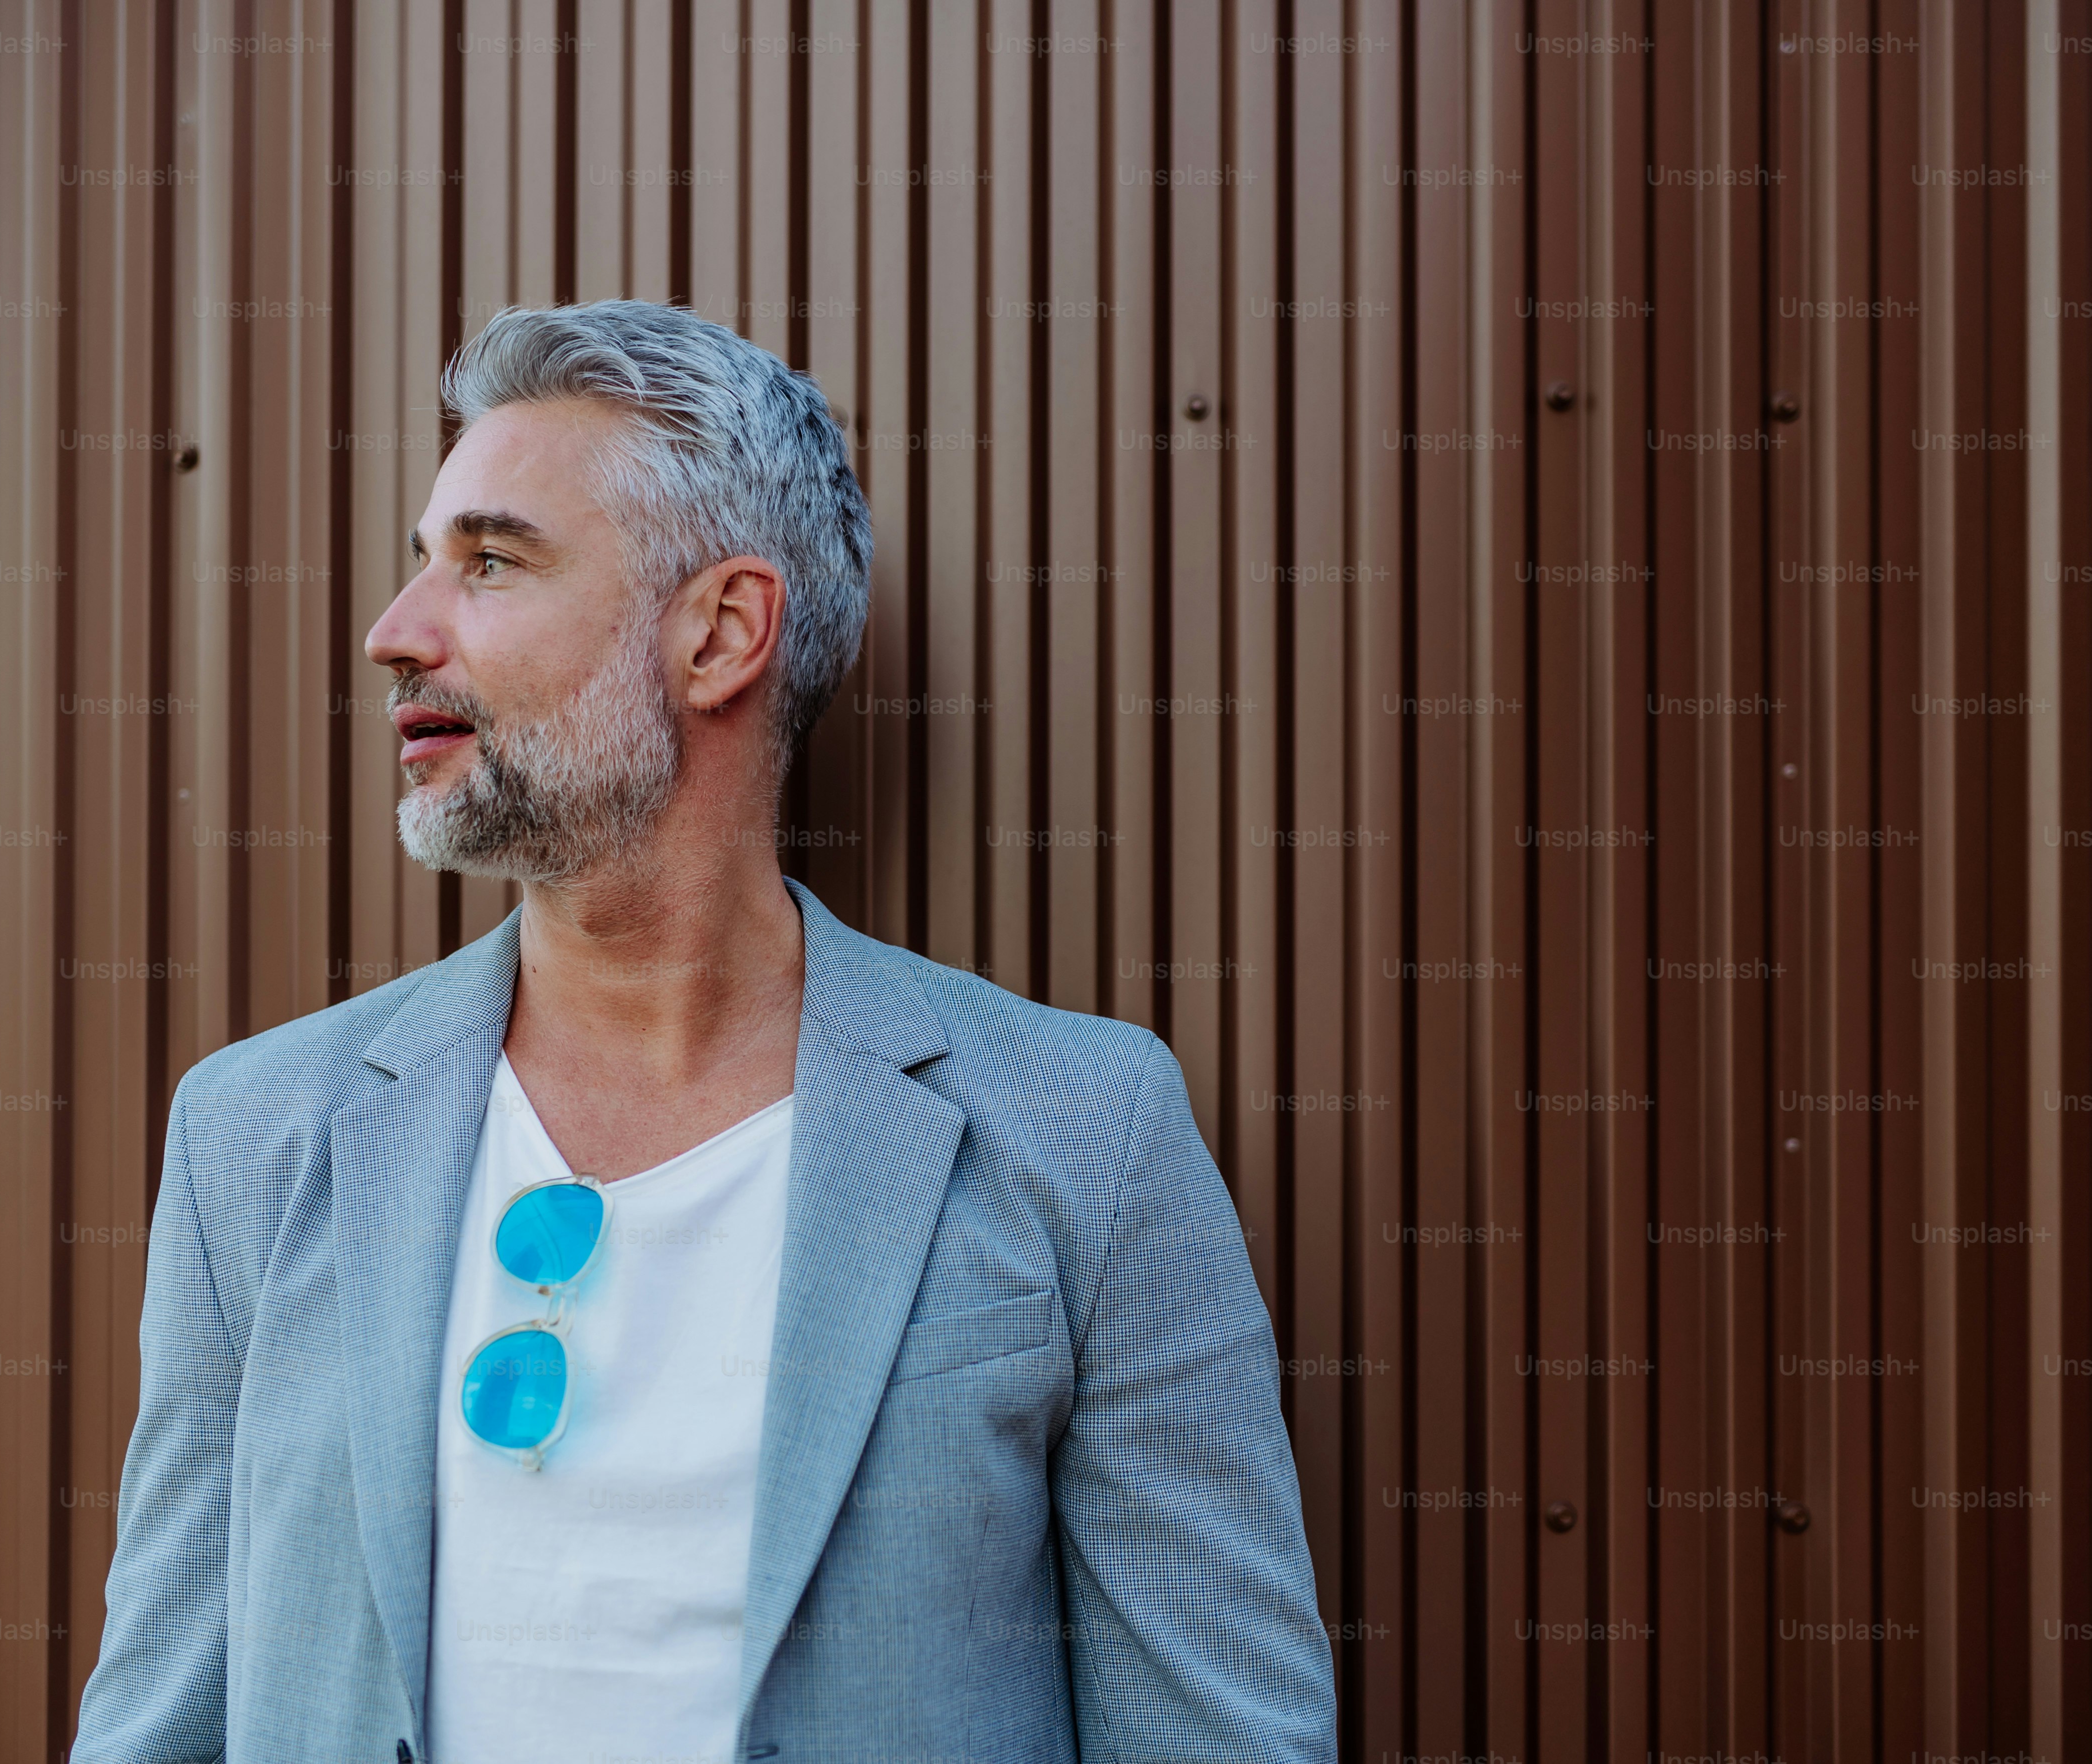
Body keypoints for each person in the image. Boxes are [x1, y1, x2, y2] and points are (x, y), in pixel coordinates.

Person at [70, 299, 1334, 1764]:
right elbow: (158, 1722)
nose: (394, 632)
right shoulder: (254, 1136)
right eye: (425, 562)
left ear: (721, 632)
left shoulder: (1086, 1131)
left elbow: (1223, 1739)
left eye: (489, 561)